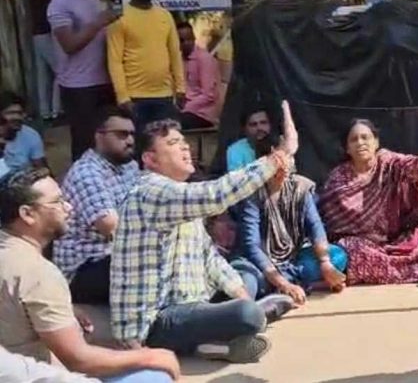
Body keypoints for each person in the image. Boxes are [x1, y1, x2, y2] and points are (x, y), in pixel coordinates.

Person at [110, 102, 299, 362]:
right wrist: (279, 156)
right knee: (247, 314)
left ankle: (220, 340)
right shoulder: (150, 191)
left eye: (183, 141)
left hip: (190, 305)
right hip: (154, 324)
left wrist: (240, 293)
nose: (185, 147)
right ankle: (241, 323)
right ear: (150, 159)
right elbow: (216, 194)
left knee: (245, 277)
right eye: (173, 143)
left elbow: (209, 257)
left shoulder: (177, 194)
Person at [0, 167, 179, 382]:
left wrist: (66, 310)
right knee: (154, 375)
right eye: (57, 202)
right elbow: (79, 360)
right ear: (27, 214)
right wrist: (151, 356)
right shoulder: (37, 271)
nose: (68, 207)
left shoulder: (10, 254)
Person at [319, 119, 418, 285]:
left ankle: (381, 268)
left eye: (365, 137)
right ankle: (400, 268)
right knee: (349, 251)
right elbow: (332, 223)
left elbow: (412, 166)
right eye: (354, 139)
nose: (360, 143)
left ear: (376, 142)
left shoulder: (387, 162)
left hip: (396, 239)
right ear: (347, 148)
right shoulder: (338, 179)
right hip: (361, 245)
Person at [232, 134, 348, 305]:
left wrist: (325, 263)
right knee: (250, 281)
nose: (286, 163)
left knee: (337, 256)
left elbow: (315, 226)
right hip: (258, 264)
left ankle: (284, 286)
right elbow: (251, 246)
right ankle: (279, 289)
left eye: (289, 157)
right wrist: (283, 284)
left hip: (291, 260)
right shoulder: (252, 194)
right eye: (280, 158)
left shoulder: (300, 186)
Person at [53, 107, 139, 304]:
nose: (130, 141)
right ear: (99, 136)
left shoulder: (130, 166)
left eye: (132, 134)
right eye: (121, 134)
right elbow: (112, 228)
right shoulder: (86, 173)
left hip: (116, 256)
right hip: (84, 267)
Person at [48, 0, 118, 161]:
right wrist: (98, 22)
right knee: (85, 144)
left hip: (104, 81)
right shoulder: (59, 4)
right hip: (78, 87)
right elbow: (69, 45)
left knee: (109, 142)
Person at [107, 0, 184, 130]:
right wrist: (122, 97)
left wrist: (180, 89)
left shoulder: (165, 16)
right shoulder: (119, 18)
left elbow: (175, 54)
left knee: (167, 143)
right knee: (139, 144)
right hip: (135, 99)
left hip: (164, 97)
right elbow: (115, 61)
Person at [30, 0, 61, 121]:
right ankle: (56, 110)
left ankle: (45, 111)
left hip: (37, 32)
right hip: (44, 31)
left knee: (42, 74)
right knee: (60, 70)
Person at [177, 21, 220, 129]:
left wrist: (187, 107)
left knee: (175, 124)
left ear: (194, 38)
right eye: (182, 40)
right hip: (184, 110)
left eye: (189, 39)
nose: (186, 43)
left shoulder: (204, 59)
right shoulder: (178, 60)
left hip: (202, 113)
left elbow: (209, 95)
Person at [0, 91, 46, 171]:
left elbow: (40, 167)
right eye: (11, 113)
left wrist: (43, 172)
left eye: (19, 113)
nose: (16, 117)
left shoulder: (31, 135)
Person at [226, 106, 273, 172]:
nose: (259, 128)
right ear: (244, 129)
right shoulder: (235, 150)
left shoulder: (279, 144)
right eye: (253, 124)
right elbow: (237, 177)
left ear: (270, 125)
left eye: (263, 123)